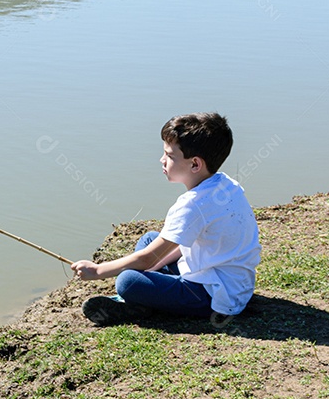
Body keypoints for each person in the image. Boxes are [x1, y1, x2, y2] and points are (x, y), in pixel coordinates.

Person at [71, 112, 260, 326]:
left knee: (128, 281)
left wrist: (98, 271)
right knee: (150, 239)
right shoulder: (225, 184)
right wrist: (147, 266)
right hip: (233, 283)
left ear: (195, 164)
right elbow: (177, 245)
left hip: (212, 297)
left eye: (169, 156)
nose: (162, 160)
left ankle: (138, 303)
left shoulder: (193, 205)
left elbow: (148, 259)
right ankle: (145, 299)